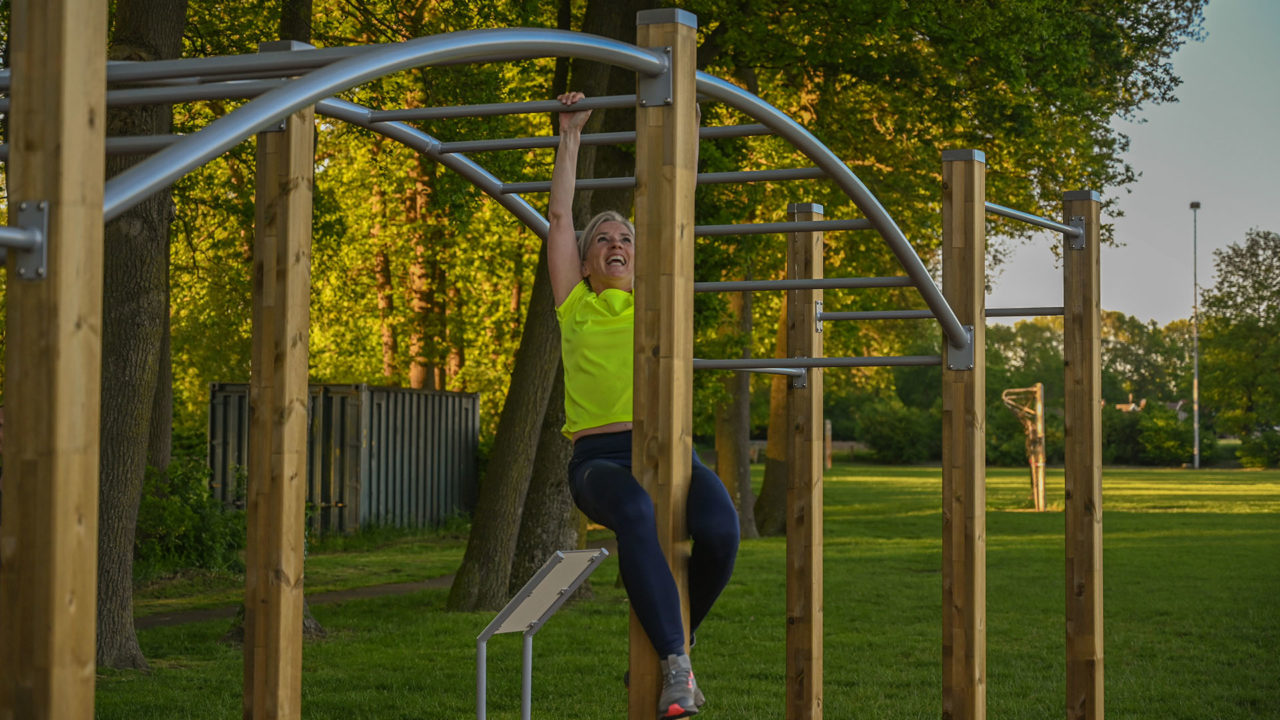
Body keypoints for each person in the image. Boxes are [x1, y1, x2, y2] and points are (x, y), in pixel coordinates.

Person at [550, 92, 740, 719]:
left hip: (670, 446)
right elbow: (557, 219)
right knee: (633, 510)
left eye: (625, 236)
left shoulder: (659, 298)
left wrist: (684, 127)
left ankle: (681, 636)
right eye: (602, 238)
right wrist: (571, 135)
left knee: (719, 530)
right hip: (599, 457)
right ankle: (677, 666)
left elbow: (676, 206)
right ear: (585, 260)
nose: (617, 242)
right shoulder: (575, 303)